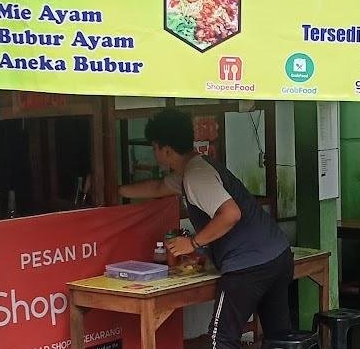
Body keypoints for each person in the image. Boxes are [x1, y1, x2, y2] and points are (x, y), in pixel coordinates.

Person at [118, 109, 292, 348]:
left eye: (155, 147)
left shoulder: (196, 176)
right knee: (278, 337)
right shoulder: (194, 169)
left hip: (248, 265)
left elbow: (230, 213)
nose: (154, 152)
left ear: (166, 150)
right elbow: (159, 187)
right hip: (278, 255)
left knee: (219, 340)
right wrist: (117, 191)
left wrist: (192, 243)